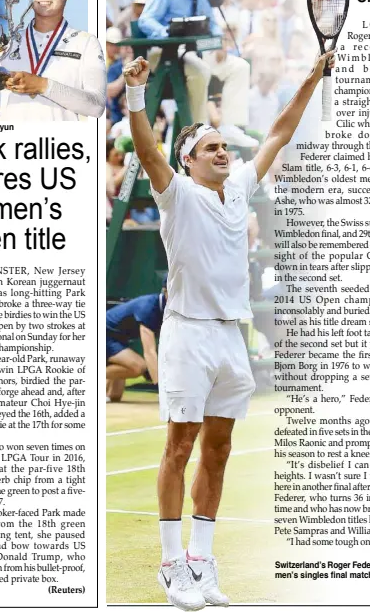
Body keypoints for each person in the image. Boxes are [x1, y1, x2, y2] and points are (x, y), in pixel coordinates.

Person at [122, 49, 335, 610]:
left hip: (230, 336)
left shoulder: (239, 184)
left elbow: (280, 131)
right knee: (180, 444)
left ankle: (201, 561)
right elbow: (146, 151)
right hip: (187, 333)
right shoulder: (176, 193)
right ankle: (171, 565)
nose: (222, 151)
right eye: (211, 147)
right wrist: (137, 94)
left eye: (223, 146)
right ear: (189, 160)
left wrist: (311, 76)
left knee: (218, 449)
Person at [138, 0, 254, 147]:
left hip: (194, 53)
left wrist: (218, 42)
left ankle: (230, 126)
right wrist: (168, 33)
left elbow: (213, 25)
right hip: (163, 54)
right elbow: (146, 20)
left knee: (240, 67)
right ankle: (200, 134)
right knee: (200, 72)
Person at [106, 281, 167, 402]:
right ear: (165, 291)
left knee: (114, 396)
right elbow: (149, 352)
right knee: (138, 367)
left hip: (120, 339)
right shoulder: (149, 307)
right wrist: (162, 389)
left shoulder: (172, 310)